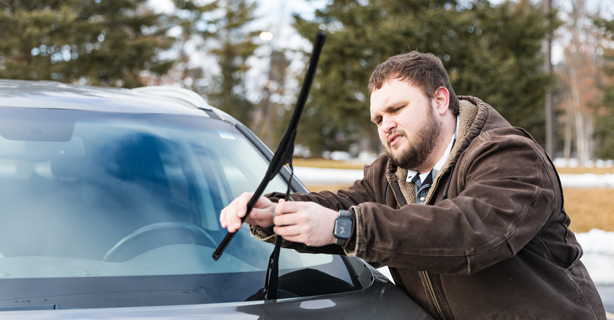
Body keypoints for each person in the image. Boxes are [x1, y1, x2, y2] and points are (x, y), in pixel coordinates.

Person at [220, 51, 606, 320]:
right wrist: (273, 211)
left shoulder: (510, 157)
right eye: (377, 118)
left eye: (396, 109)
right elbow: (340, 205)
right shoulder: (390, 175)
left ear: (440, 100)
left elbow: (469, 232)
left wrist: (345, 227)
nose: (384, 124)